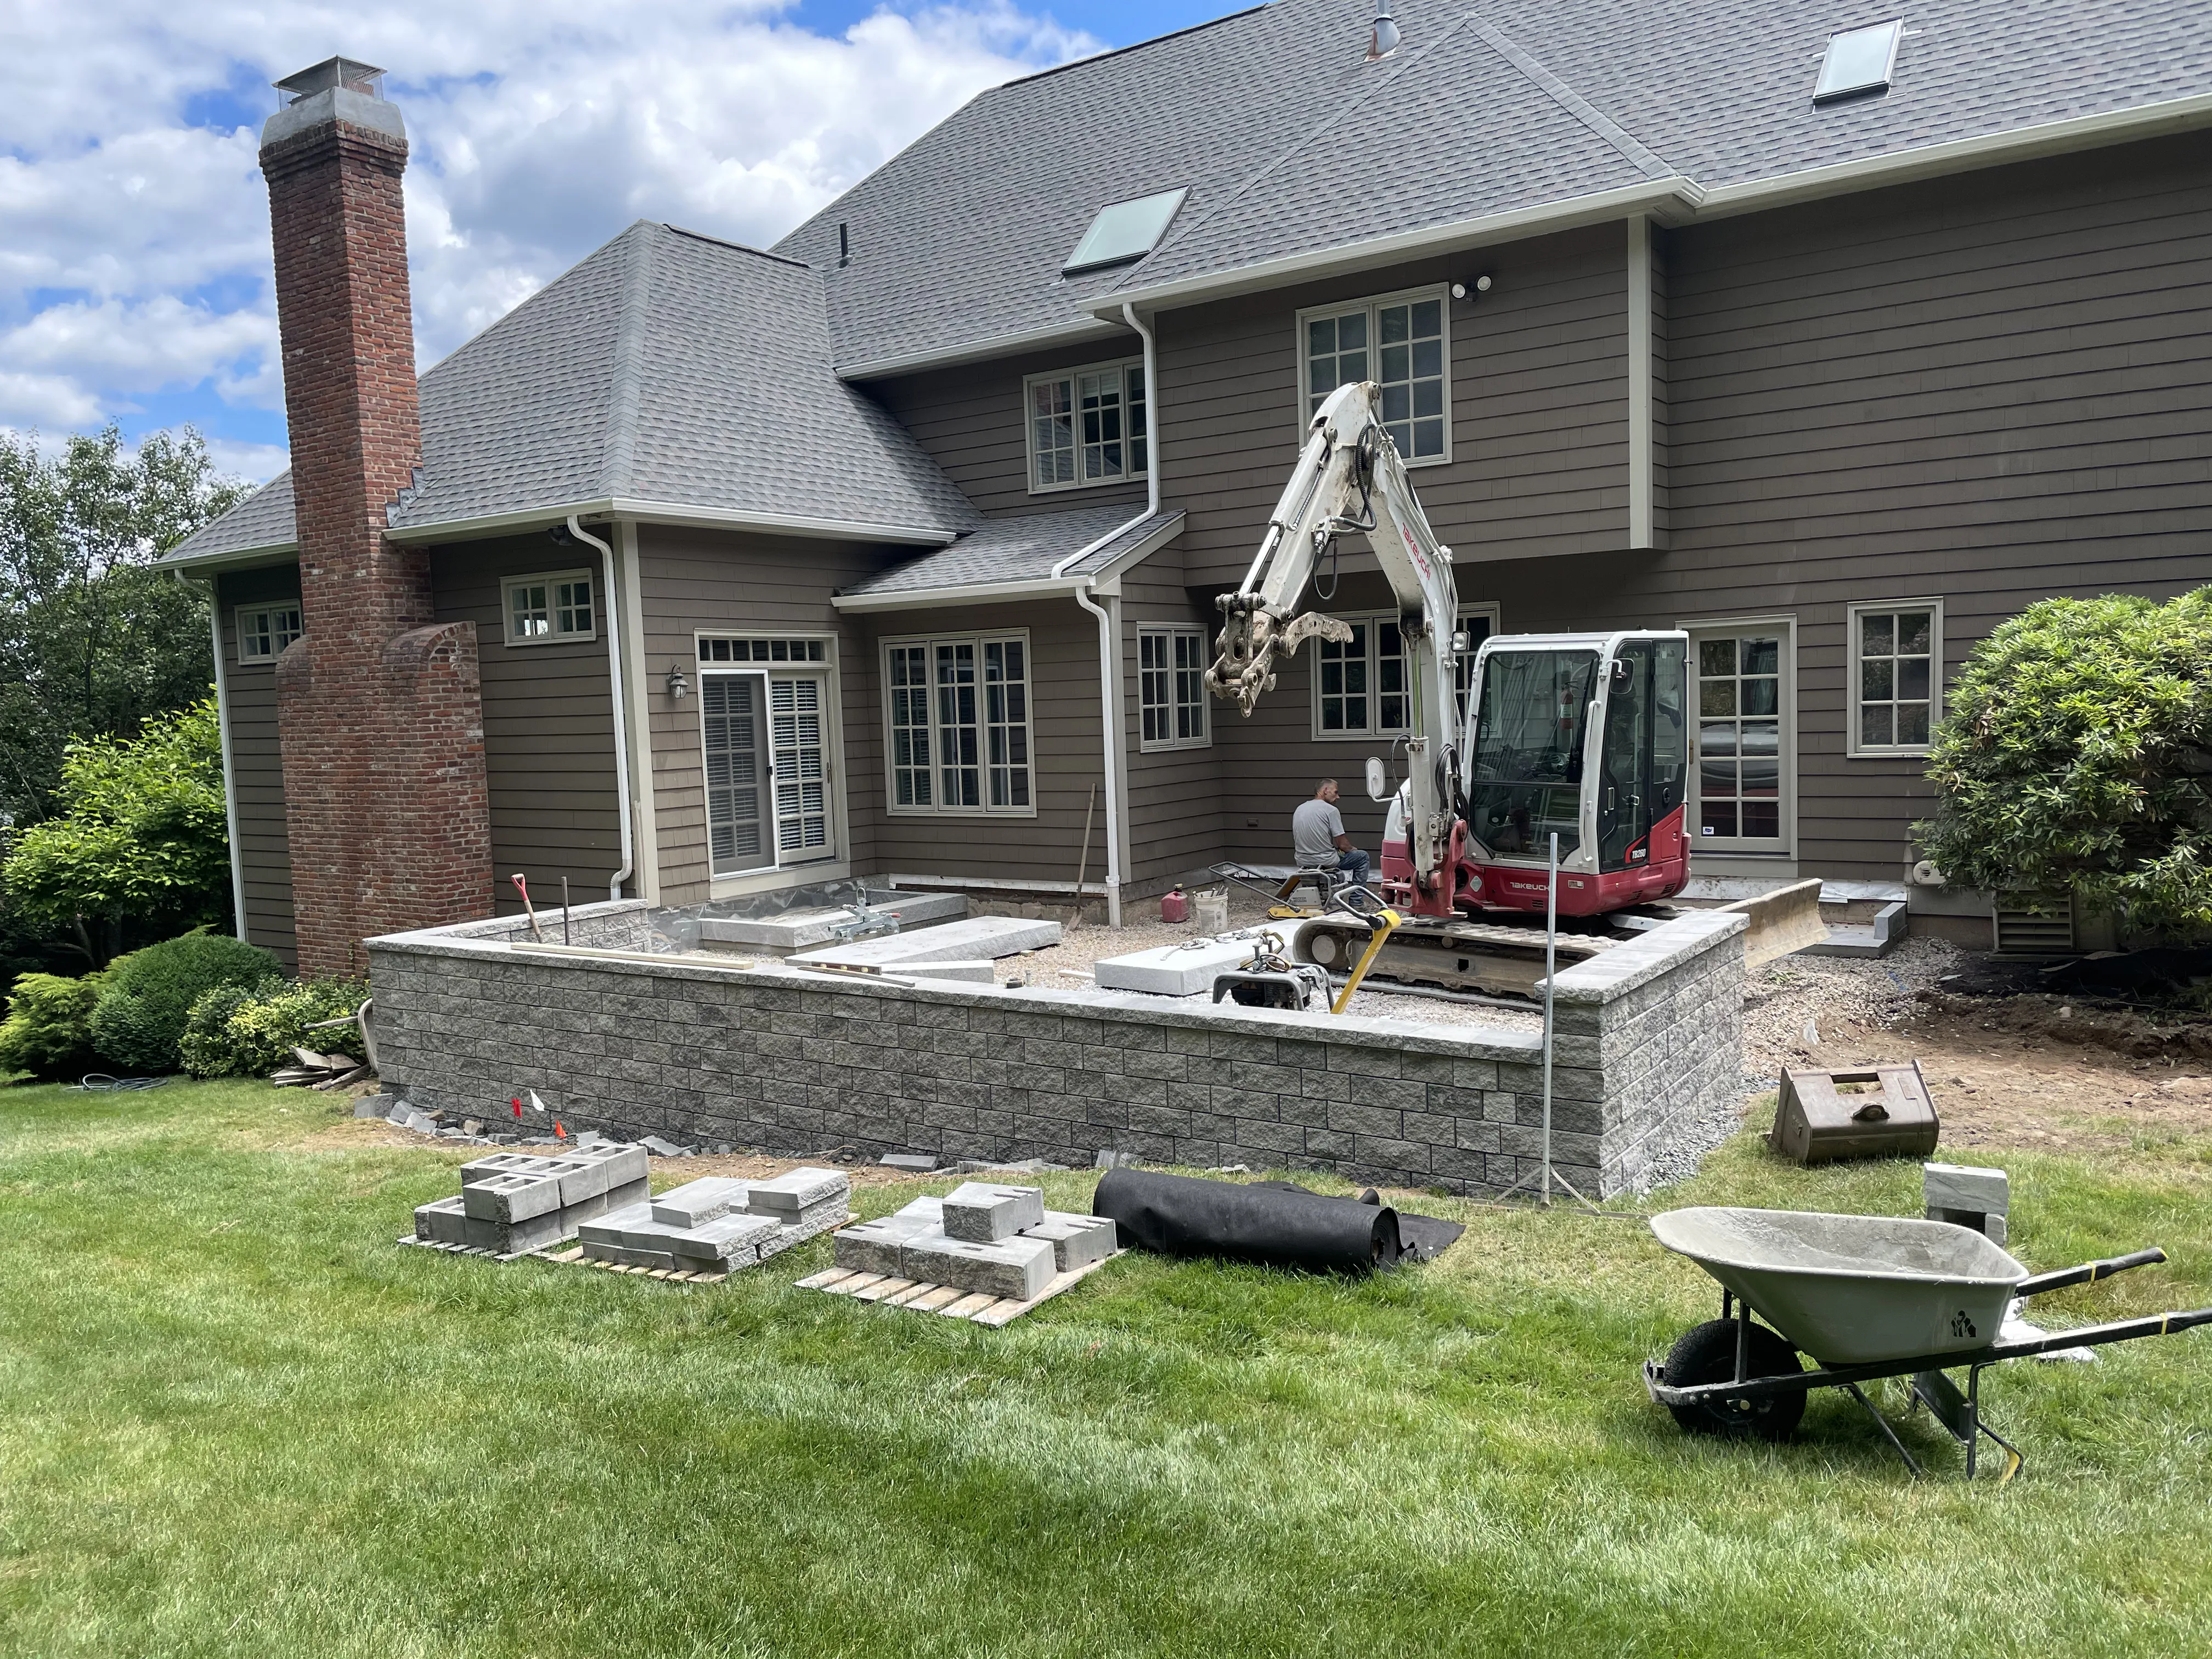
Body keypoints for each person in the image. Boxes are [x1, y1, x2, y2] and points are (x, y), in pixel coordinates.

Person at [1291, 778, 1369, 887]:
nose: (1338, 797)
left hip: (1302, 860)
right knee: (1362, 857)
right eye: (1336, 792)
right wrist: (1353, 850)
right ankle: (1356, 902)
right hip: (1325, 860)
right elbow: (1343, 845)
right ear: (1326, 790)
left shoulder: (1300, 809)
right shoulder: (1331, 810)